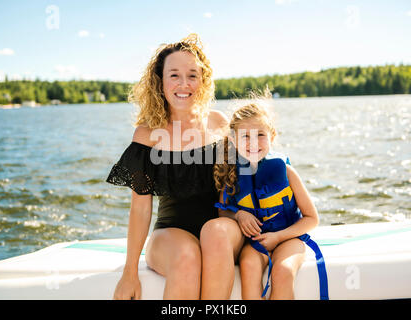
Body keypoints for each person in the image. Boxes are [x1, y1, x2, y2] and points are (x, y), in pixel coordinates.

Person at [107, 33, 234, 299]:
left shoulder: (219, 124)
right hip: (170, 234)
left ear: (203, 80)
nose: (184, 83)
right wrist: (129, 272)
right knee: (187, 255)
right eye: (174, 75)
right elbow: (141, 208)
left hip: (222, 232)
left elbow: (237, 188)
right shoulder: (147, 136)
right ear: (160, 81)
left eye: (192, 75)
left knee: (215, 233)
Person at [213, 98, 322, 300]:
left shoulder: (286, 171)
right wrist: (239, 215)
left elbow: (312, 219)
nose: (253, 142)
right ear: (234, 140)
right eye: (245, 136)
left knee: (283, 272)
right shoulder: (232, 174)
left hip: (289, 238)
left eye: (260, 135)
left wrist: (279, 237)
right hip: (256, 243)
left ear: (272, 136)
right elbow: (223, 209)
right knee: (248, 265)